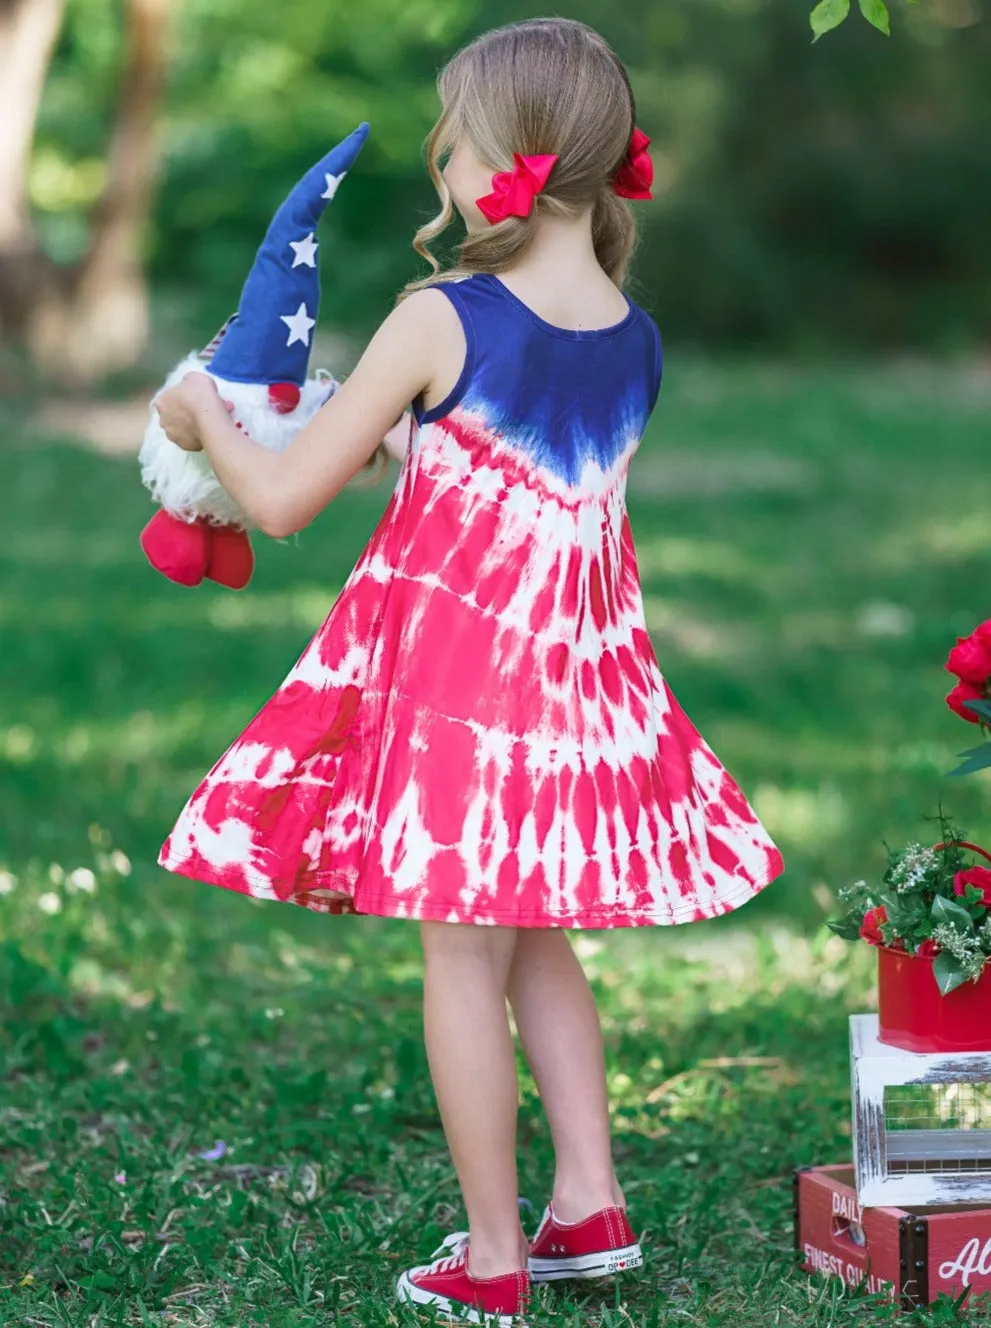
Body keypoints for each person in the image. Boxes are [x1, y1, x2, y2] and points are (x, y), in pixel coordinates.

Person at [155, 17, 784, 1326]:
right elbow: (523, 486)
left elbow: (273, 504)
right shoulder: (629, 330)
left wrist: (198, 409)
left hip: (460, 703)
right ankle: (588, 1202)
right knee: (535, 937)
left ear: (482, 152)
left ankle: (494, 1258)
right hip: (570, 698)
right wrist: (409, 452)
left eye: (446, 129)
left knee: (461, 960)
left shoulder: (439, 315)